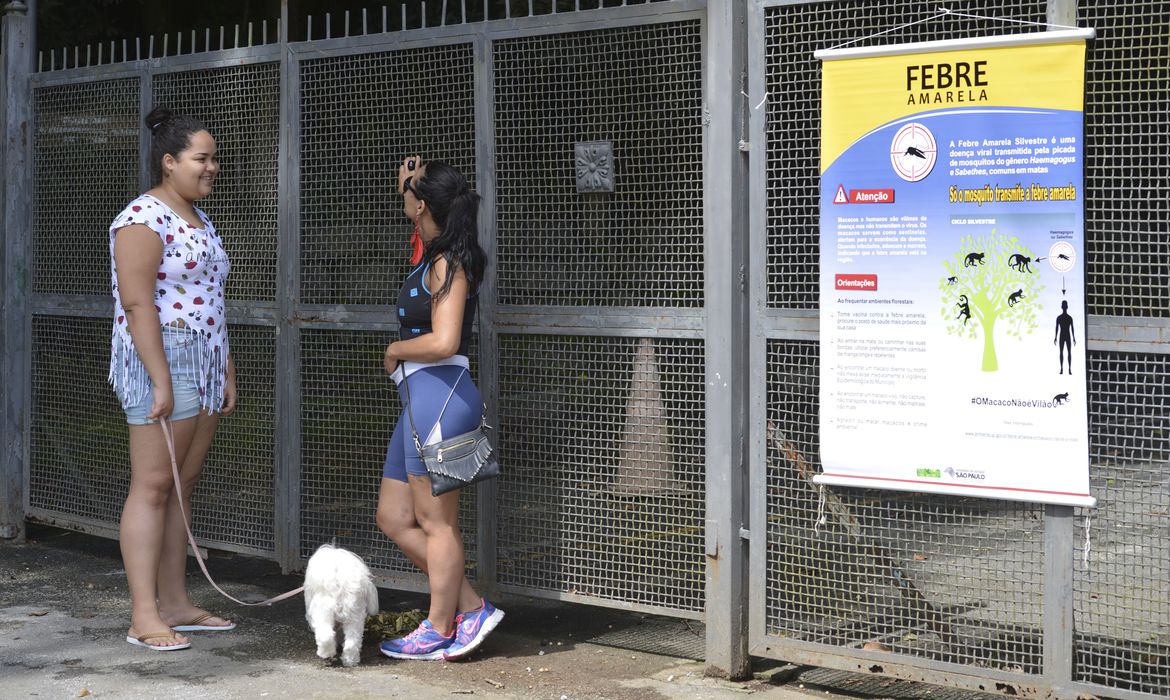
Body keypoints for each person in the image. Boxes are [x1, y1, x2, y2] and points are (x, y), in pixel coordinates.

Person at [109, 106, 237, 651]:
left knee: (181, 489)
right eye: (201, 159)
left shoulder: (198, 218)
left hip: (205, 359)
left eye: (214, 159)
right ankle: (144, 615)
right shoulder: (143, 218)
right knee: (153, 487)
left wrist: (226, 367)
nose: (212, 168)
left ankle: (177, 602)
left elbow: (212, 297)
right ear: (169, 162)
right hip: (164, 356)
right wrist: (160, 380)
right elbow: (139, 305)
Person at [376, 155, 504, 661]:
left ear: (424, 205)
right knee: (393, 516)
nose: (403, 197)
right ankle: (471, 608)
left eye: (409, 194)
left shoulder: (449, 262)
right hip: (419, 400)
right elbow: (420, 216)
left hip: (440, 396)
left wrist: (394, 351)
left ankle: (438, 625)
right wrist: (407, 184)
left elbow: (444, 339)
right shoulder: (432, 254)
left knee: (437, 524)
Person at [1054, 299, 1076, 375]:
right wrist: (1055, 337)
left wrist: (1074, 338)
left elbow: (1072, 328)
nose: (1064, 307)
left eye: (1064, 306)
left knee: (1068, 352)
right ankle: (1062, 368)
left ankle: (1069, 368)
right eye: (1064, 306)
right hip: (1063, 335)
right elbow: (1056, 328)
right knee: (1062, 352)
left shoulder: (1069, 318)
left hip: (1066, 335)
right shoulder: (1060, 318)